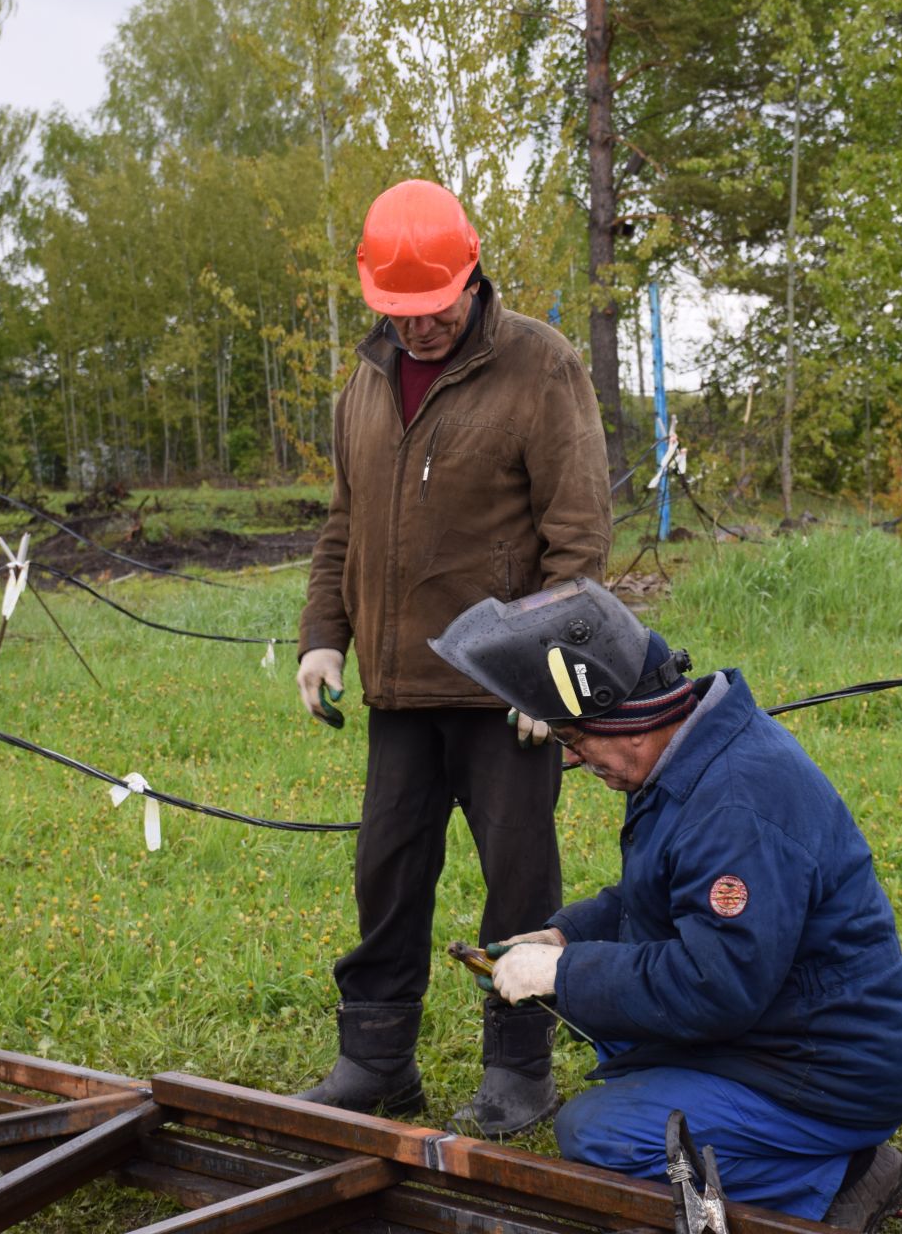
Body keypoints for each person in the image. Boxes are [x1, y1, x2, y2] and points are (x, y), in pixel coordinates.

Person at [428, 579, 902, 1230]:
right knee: (616, 1028)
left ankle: (846, 1176)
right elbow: (654, 897)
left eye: (575, 741)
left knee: (599, 1134)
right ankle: (801, 1149)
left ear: (627, 719)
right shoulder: (690, 756)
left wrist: (565, 975)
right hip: (784, 1034)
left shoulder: (734, 804)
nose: (577, 760)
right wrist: (561, 939)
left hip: (835, 1069)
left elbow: (714, 984)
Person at [293, 179, 612, 1139]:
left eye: (432, 309)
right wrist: (321, 637)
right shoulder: (363, 383)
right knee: (385, 874)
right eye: (398, 313)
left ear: (470, 277)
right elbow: (344, 525)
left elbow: (579, 539)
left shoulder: (542, 367)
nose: (418, 328)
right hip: (398, 689)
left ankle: (520, 1065)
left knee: (520, 881)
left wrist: (550, 676)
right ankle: (376, 1060)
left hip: (502, 696)